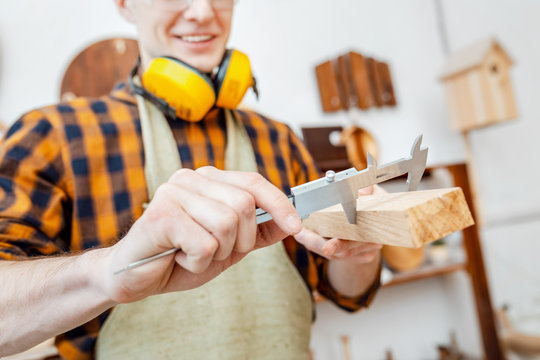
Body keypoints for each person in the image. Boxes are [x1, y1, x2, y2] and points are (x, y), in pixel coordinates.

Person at [0, 0, 383, 358]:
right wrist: (110, 269)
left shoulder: (278, 139)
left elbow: (347, 292)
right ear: (124, 4)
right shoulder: (54, 136)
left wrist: (361, 248)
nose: (203, 12)